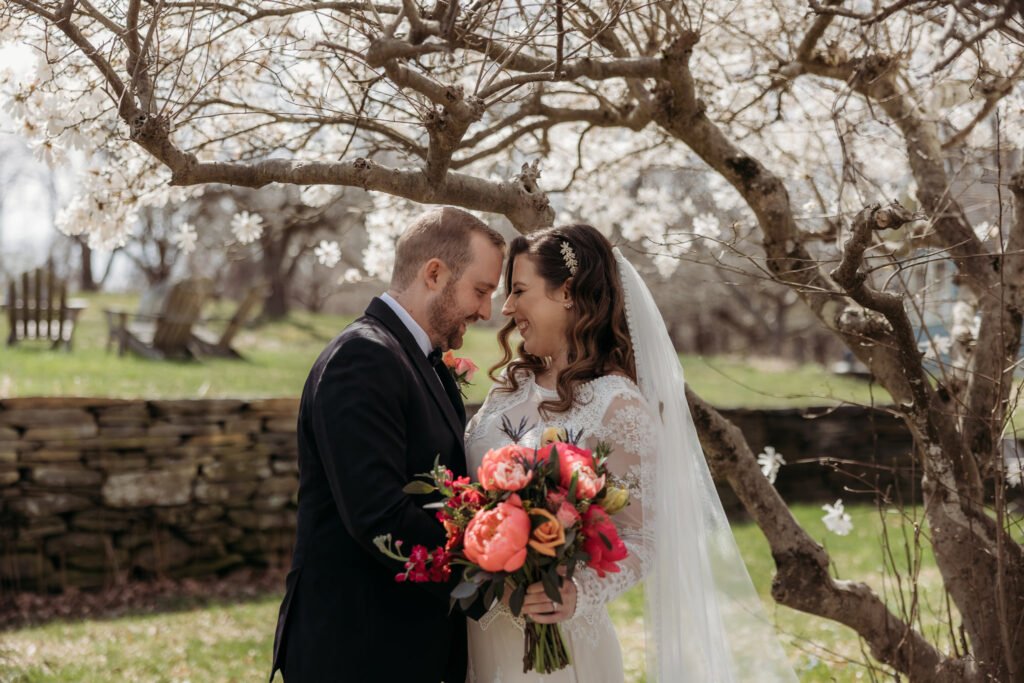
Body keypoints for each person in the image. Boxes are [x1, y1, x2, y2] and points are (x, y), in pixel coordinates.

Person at [465, 224, 797, 681]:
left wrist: (576, 591)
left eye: (519, 290)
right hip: (479, 633)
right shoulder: (509, 388)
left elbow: (644, 537)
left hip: (556, 646)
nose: (507, 308)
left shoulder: (616, 404)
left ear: (566, 293)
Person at [271, 207, 505, 683]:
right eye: (480, 291)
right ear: (434, 273)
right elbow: (378, 515)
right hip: (359, 649)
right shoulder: (363, 357)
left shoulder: (416, 358)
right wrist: (490, 578)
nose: (486, 311)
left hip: (405, 644)